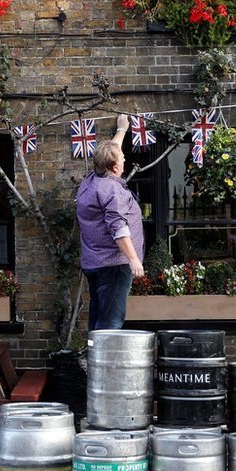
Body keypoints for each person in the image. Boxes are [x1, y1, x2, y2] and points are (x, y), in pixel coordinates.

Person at [76, 114, 145, 330]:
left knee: (98, 318)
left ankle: (93, 360)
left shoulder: (91, 180)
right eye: (122, 158)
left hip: (94, 263)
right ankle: (103, 364)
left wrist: (122, 129)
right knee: (110, 324)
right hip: (114, 266)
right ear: (115, 167)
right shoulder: (113, 191)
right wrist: (133, 259)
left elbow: (110, 152)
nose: (125, 159)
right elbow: (118, 228)